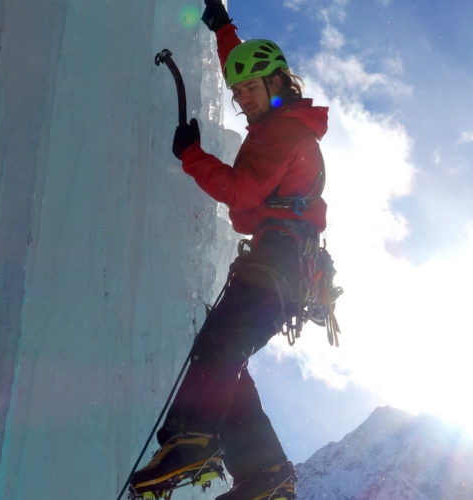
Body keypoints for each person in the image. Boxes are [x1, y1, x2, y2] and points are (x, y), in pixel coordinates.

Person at [127, 1, 329, 499]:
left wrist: (192, 156)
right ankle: (266, 475)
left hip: (276, 262)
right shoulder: (281, 120)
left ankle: (194, 439)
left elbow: (242, 191)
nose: (242, 97)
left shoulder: (281, 131)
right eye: (237, 92)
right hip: (283, 265)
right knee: (225, 350)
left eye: (250, 89)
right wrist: (222, 27)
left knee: (220, 346)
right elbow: (241, 65)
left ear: (279, 83)